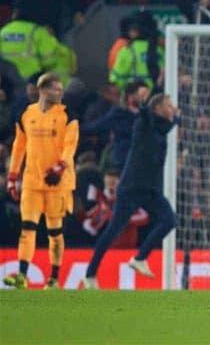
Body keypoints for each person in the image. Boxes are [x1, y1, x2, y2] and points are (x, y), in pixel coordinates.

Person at [81, 93, 178, 289]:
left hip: (151, 190)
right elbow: (145, 115)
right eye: (169, 105)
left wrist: (177, 117)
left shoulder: (162, 128)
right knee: (113, 231)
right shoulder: (144, 124)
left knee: (170, 220)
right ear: (157, 109)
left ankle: (140, 258)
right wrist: (142, 107)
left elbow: (170, 123)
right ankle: (90, 274)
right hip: (131, 188)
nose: (172, 108)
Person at [3, 73, 79, 289]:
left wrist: (60, 167)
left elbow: (70, 146)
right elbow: (19, 147)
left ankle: (54, 277)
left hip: (58, 182)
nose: (60, 92)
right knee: (27, 228)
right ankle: (22, 277)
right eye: (56, 88)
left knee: (54, 231)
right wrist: (12, 176)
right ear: (43, 90)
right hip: (32, 181)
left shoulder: (68, 115)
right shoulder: (27, 114)